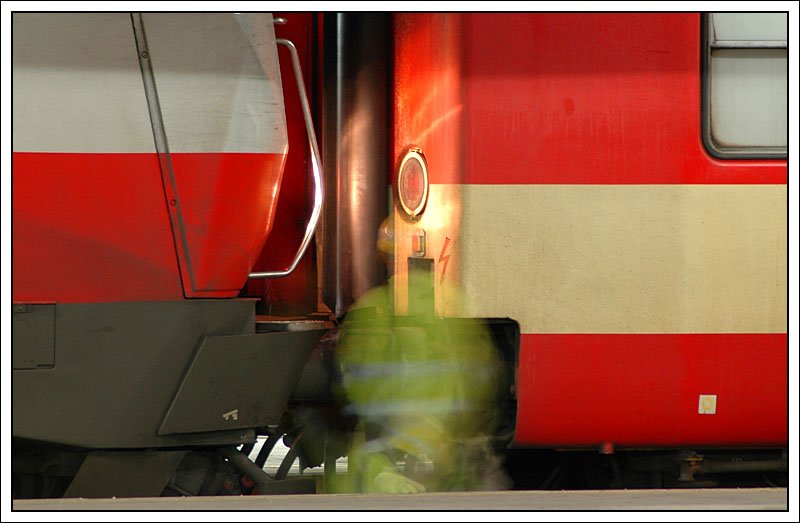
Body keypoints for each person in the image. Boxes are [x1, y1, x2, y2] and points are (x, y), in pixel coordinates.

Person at [333, 216, 510, 493]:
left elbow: (357, 384)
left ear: (387, 257)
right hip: (448, 445)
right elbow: (483, 375)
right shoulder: (457, 300)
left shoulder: (373, 306)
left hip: (391, 448)